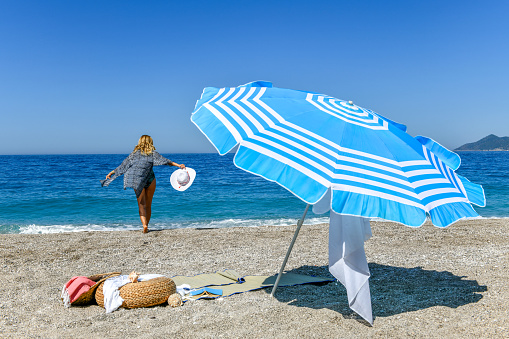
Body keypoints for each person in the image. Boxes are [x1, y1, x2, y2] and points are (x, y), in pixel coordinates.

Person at [101, 135, 185, 233]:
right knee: (148, 205)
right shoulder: (153, 153)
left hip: (137, 180)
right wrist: (179, 165)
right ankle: (147, 226)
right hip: (150, 179)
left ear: (139, 142)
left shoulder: (134, 154)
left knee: (141, 205)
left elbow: (123, 166)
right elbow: (167, 161)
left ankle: (144, 225)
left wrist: (111, 172)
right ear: (150, 142)